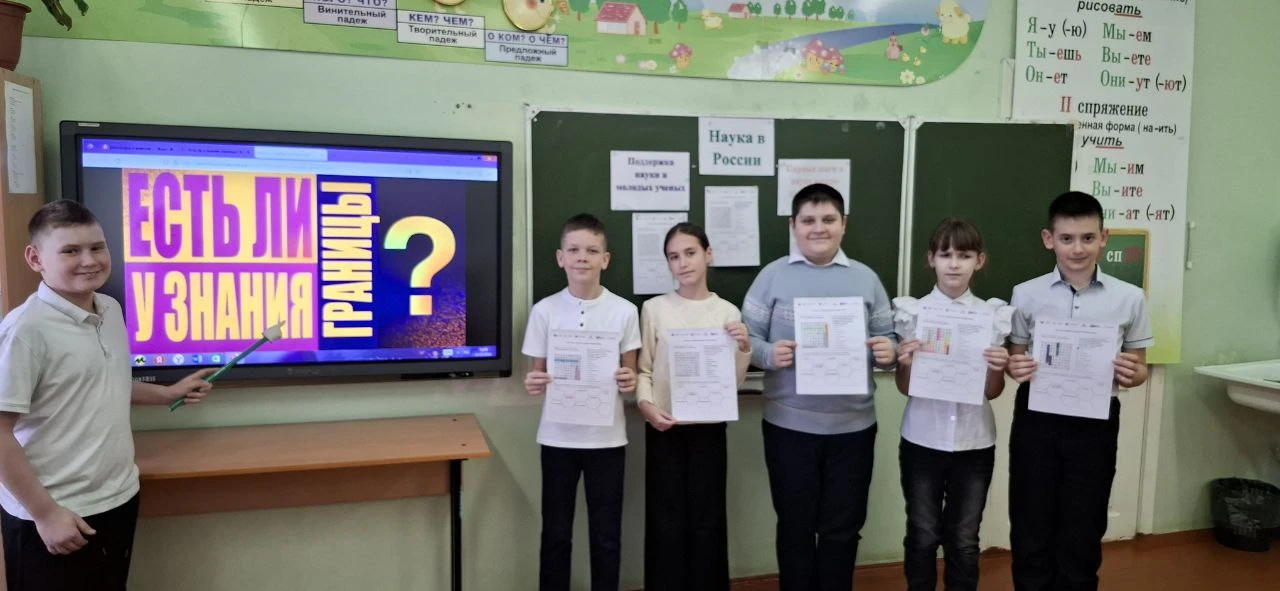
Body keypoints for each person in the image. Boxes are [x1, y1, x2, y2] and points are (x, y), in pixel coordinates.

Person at [0, 200, 215, 591]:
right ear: (35, 259)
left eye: (97, 247)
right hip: (57, 515)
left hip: (117, 499)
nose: (89, 260)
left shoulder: (110, 309)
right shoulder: (25, 330)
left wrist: (167, 393)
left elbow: (100, 382)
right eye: (70, 251)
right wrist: (46, 514)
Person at [742, 183, 897, 591]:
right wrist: (768, 354)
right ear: (793, 225)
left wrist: (889, 351)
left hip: (853, 430)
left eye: (828, 219)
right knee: (795, 527)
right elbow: (746, 339)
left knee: (842, 529)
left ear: (843, 224)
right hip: (789, 428)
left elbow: (889, 340)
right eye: (808, 220)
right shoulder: (772, 277)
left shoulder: (866, 279)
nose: (818, 228)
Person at [1005, 191, 1152, 591]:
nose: (1077, 249)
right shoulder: (1025, 293)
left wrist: (1133, 373)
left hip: (1096, 422)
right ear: (1048, 239)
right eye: (1066, 238)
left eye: (1088, 238)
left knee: (1083, 526)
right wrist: (1016, 367)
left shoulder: (1130, 298)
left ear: (1104, 237)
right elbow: (1015, 359)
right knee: (1031, 521)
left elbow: (1139, 368)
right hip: (1037, 419)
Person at [892, 218, 1012, 591]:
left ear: (980, 261)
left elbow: (992, 391)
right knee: (923, 532)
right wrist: (905, 362)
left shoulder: (991, 317)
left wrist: (997, 368)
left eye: (964, 255)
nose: (954, 264)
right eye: (946, 255)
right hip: (922, 439)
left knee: (964, 538)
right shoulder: (914, 314)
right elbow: (905, 388)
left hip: (975, 443)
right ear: (931, 259)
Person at [522, 213, 640, 591]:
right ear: (560, 258)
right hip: (558, 437)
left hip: (607, 439)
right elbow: (536, 375)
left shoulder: (625, 311)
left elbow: (630, 376)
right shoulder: (544, 311)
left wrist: (629, 380)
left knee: (606, 534)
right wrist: (534, 382)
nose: (582, 258)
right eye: (573, 250)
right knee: (556, 533)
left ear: (605, 259)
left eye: (591, 250)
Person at [636, 222, 751, 591]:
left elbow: (732, 383)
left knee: (707, 520)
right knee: (665, 519)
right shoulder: (654, 309)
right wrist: (646, 406)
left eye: (690, 253)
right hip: (665, 427)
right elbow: (643, 370)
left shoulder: (728, 312)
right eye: (674, 257)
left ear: (708, 255)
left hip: (709, 429)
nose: (682, 263)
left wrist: (744, 348)